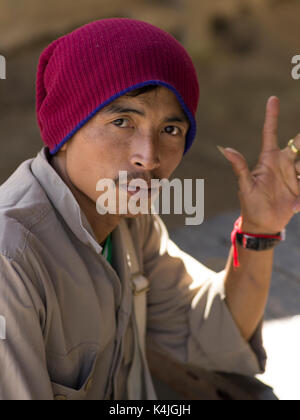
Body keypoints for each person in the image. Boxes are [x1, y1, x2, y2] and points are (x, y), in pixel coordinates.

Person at [0, 18, 300, 401]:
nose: (149, 156)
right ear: (65, 128)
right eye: (122, 122)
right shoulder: (11, 258)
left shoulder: (128, 221)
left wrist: (258, 229)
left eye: (170, 130)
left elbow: (213, 332)